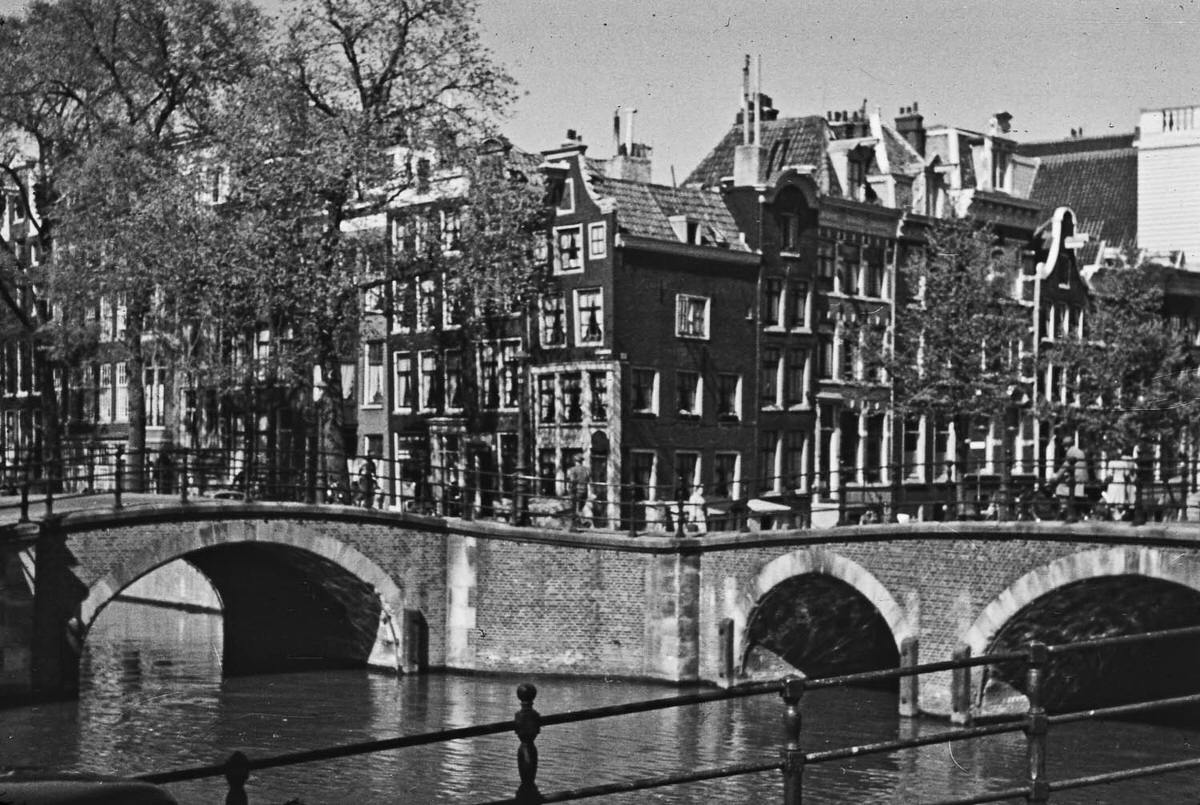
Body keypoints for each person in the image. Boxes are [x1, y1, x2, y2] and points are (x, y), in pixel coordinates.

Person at [1054, 437, 1089, 521]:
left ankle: (1064, 507)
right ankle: (1073, 511)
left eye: (1064, 446)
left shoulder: (1070, 452)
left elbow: (1066, 465)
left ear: (1066, 446)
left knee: (1059, 488)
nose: (1064, 448)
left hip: (1076, 479)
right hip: (1083, 478)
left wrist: (1056, 477)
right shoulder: (1079, 451)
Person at [565, 454, 591, 528]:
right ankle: (579, 523)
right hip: (584, 491)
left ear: (575, 461)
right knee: (580, 508)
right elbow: (588, 480)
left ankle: (577, 524)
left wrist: (569, 489)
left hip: (576, 491)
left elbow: (572, 481)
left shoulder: (572, 470)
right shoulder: (587, 470)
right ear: (581, 461)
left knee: (575, 508)